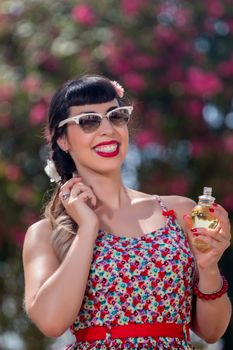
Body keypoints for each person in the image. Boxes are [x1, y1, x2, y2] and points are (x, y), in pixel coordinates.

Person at [23, 74, 232, 350]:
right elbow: (51, 322)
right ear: (63, 140)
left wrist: (208, 268)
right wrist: (87, 227)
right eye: (88, 121)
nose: (107, 129)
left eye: (116, 116)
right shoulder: (47, 233)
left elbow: (212, 332)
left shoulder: (180, 211)